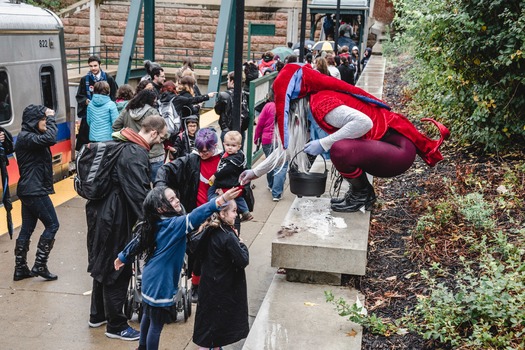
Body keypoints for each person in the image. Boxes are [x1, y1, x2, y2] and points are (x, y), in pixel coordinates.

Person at [239, 63, 450, 212]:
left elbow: (364, 123)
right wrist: (254, 173)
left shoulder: (320, 104)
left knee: (340, 149)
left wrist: (323, 143)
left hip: (398, 152)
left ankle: (363, 195)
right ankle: (360, 194)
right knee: (340, 147)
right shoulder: (311, 112)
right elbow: (286, 150)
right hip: (387, 150)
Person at [114, 186, 241, 350]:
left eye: (175, 196)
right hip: (161, 283)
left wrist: (122, 257)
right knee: (156, 326)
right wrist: (220, 201)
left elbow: (138, 241)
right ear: (161, 207)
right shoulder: (175, 225)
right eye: (172, 199)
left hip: (149, 279)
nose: (177, 200)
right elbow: (197, 215)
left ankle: (142, 346)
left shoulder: (155, 222)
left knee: (147, 315)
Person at [86, 115, 168, 341]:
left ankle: (98, 315)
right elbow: (138, 194)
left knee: (102, 263)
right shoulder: (135, 152)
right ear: (153, 132)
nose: (158, 143)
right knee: (117, 267)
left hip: (100, 212)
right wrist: (153, 220)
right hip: (116, 217)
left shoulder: (121, 143)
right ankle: (116, 325)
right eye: (160, 138)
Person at [155, 128, 222, 303]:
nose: (203, 153)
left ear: (214, 146)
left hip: (220, 213)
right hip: (197, 214)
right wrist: (161, 189)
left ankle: (214, 285)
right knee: (197, 253)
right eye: (200, 150)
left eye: (206, 150)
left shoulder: (225, 160)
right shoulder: (191, 160)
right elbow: (166, 169)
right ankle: (196, 287)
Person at [192, 200, 249, 349]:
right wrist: (241, 243)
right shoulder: (228, 237)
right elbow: (242, 260)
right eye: (234, 211)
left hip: (208, 287)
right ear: (223, 214)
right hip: (223, 289)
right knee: (216, 331)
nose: (236, 215)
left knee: (209, 331)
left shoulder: (206, 231)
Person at [13, 105, 59, 281]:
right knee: (53, 225)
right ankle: (40, 264)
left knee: (27, 228)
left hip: (29, 189)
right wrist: (52, 118)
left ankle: (20, 268)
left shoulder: (29, 137)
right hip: (34, 190)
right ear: (34, 121)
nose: (46, 123)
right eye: (43, 120)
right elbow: (51, 138)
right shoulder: (27, 138)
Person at [112, 89, 164, 182]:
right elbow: (163, 132)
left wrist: (128, 136)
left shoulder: (127, 110)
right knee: (158, 185)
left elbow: (115, 126)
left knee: (136, 184)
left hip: (133, 153)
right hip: (154, 154)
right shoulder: (152, 112)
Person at [75, 55, 118, 151]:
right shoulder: (84, 79)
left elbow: (114, 94)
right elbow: (79, 95)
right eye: (91, 66)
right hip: (91, 111)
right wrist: (86, 101)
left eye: (95, 66)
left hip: (105, 113)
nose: (93, 68)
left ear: (100, 65)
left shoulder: (108, 78)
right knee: (86, 138)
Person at [208, 130, 252, 222]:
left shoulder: (236, 158)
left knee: (212, 192)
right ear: (223, 144)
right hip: (234, 183)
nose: (230, 148)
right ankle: (245, 212)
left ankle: (212, 206)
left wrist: (215, 175)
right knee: (237, 197)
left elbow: (226, 169)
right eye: (228, 145)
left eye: (233, 146)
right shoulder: (235, 155)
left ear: (239, 146)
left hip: (228, 183)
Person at [254, 90, 287, 202]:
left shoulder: (268, 106)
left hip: (268, 140)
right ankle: (276, 193)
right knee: (281, 166)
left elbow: (260, 124)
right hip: (283, 140)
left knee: (270, 163)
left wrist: (256, 137)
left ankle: (271, 184)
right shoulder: (287, 106)